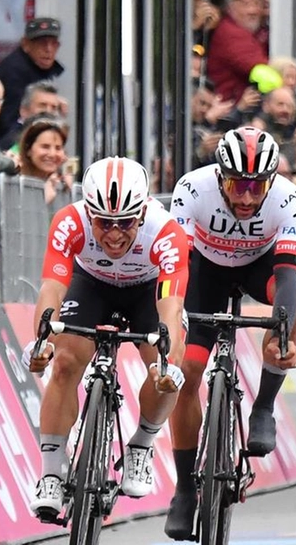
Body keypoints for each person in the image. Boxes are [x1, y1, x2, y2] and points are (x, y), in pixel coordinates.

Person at [25, 158, 189, 520]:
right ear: (89, 213)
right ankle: (51, 473)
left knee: (166, 372)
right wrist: (42, 344)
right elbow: (52, 288)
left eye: (126, 223)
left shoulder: (166, 232)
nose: (114, 234)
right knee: (65, 362)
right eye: (103, 223)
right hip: (91, 285)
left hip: (148, 291)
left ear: (142, 214)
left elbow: (171, 306)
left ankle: (141, 445)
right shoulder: (70, 220)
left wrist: (169, 360)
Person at [163, 126, 296, 539]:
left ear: (271, 181)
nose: (246, 197)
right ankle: (186, 488)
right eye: (236, 184)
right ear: (219, 174)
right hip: (204, 272)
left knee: (294, 298)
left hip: (262, 267)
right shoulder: (192, 188)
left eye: (256, 187)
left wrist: (281, 332)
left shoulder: (288, 198)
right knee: (186, 374)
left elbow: (286, 273)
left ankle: (263, 405)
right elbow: (177, 265)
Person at [0, 17, 65, 143]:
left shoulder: (43, 69)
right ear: (25, 44)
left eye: (53, 43)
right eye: (42, 43)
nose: (48, 49)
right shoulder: (14, 73)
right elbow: (9, 124)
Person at [205, 0, 268, 102]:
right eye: (245, 4)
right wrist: (289, 78)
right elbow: (260, 70)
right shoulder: (231, 33)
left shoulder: (259, 33)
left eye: (257, 3)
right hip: (228, 110)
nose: (252, 11)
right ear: (230, 8)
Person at [15, 116, 71, 203]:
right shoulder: (13, 184)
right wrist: (42, 201)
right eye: (45, 147)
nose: (52, 154)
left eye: (58, 148)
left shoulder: (61, 185)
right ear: (28, 150)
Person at [0, 82, 63, 150]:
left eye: (54, 108)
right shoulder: (12, 144)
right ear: (24, 111)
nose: (48, 112)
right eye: (42, 105)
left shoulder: (58, 140)